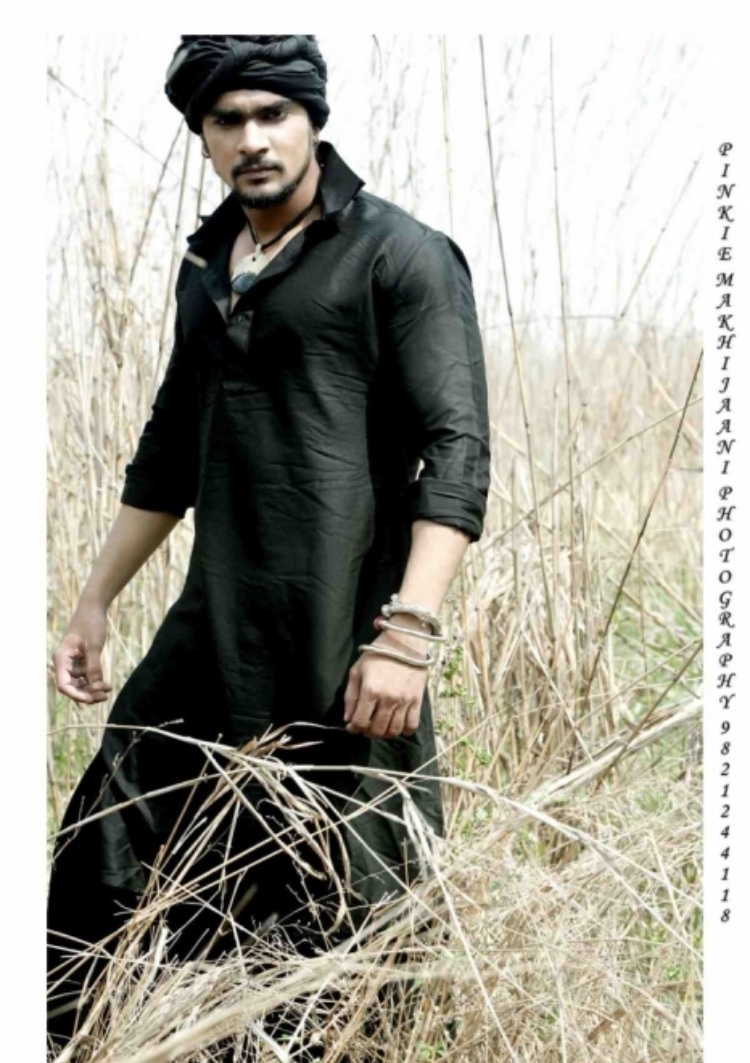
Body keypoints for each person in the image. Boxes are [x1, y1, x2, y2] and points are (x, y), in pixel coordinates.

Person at [47, 34, 491, 1050]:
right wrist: (95, 600)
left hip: (346, 638)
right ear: (202, 136)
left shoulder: (400, 253)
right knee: (105, 864)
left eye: (272, 114)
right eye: (227, 120)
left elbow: (457, 449)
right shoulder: (208, 268)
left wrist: (409, 632)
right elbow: (169, 448)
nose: (252, 138)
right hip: (214, 628)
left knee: (349, 895)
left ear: (312, 121)